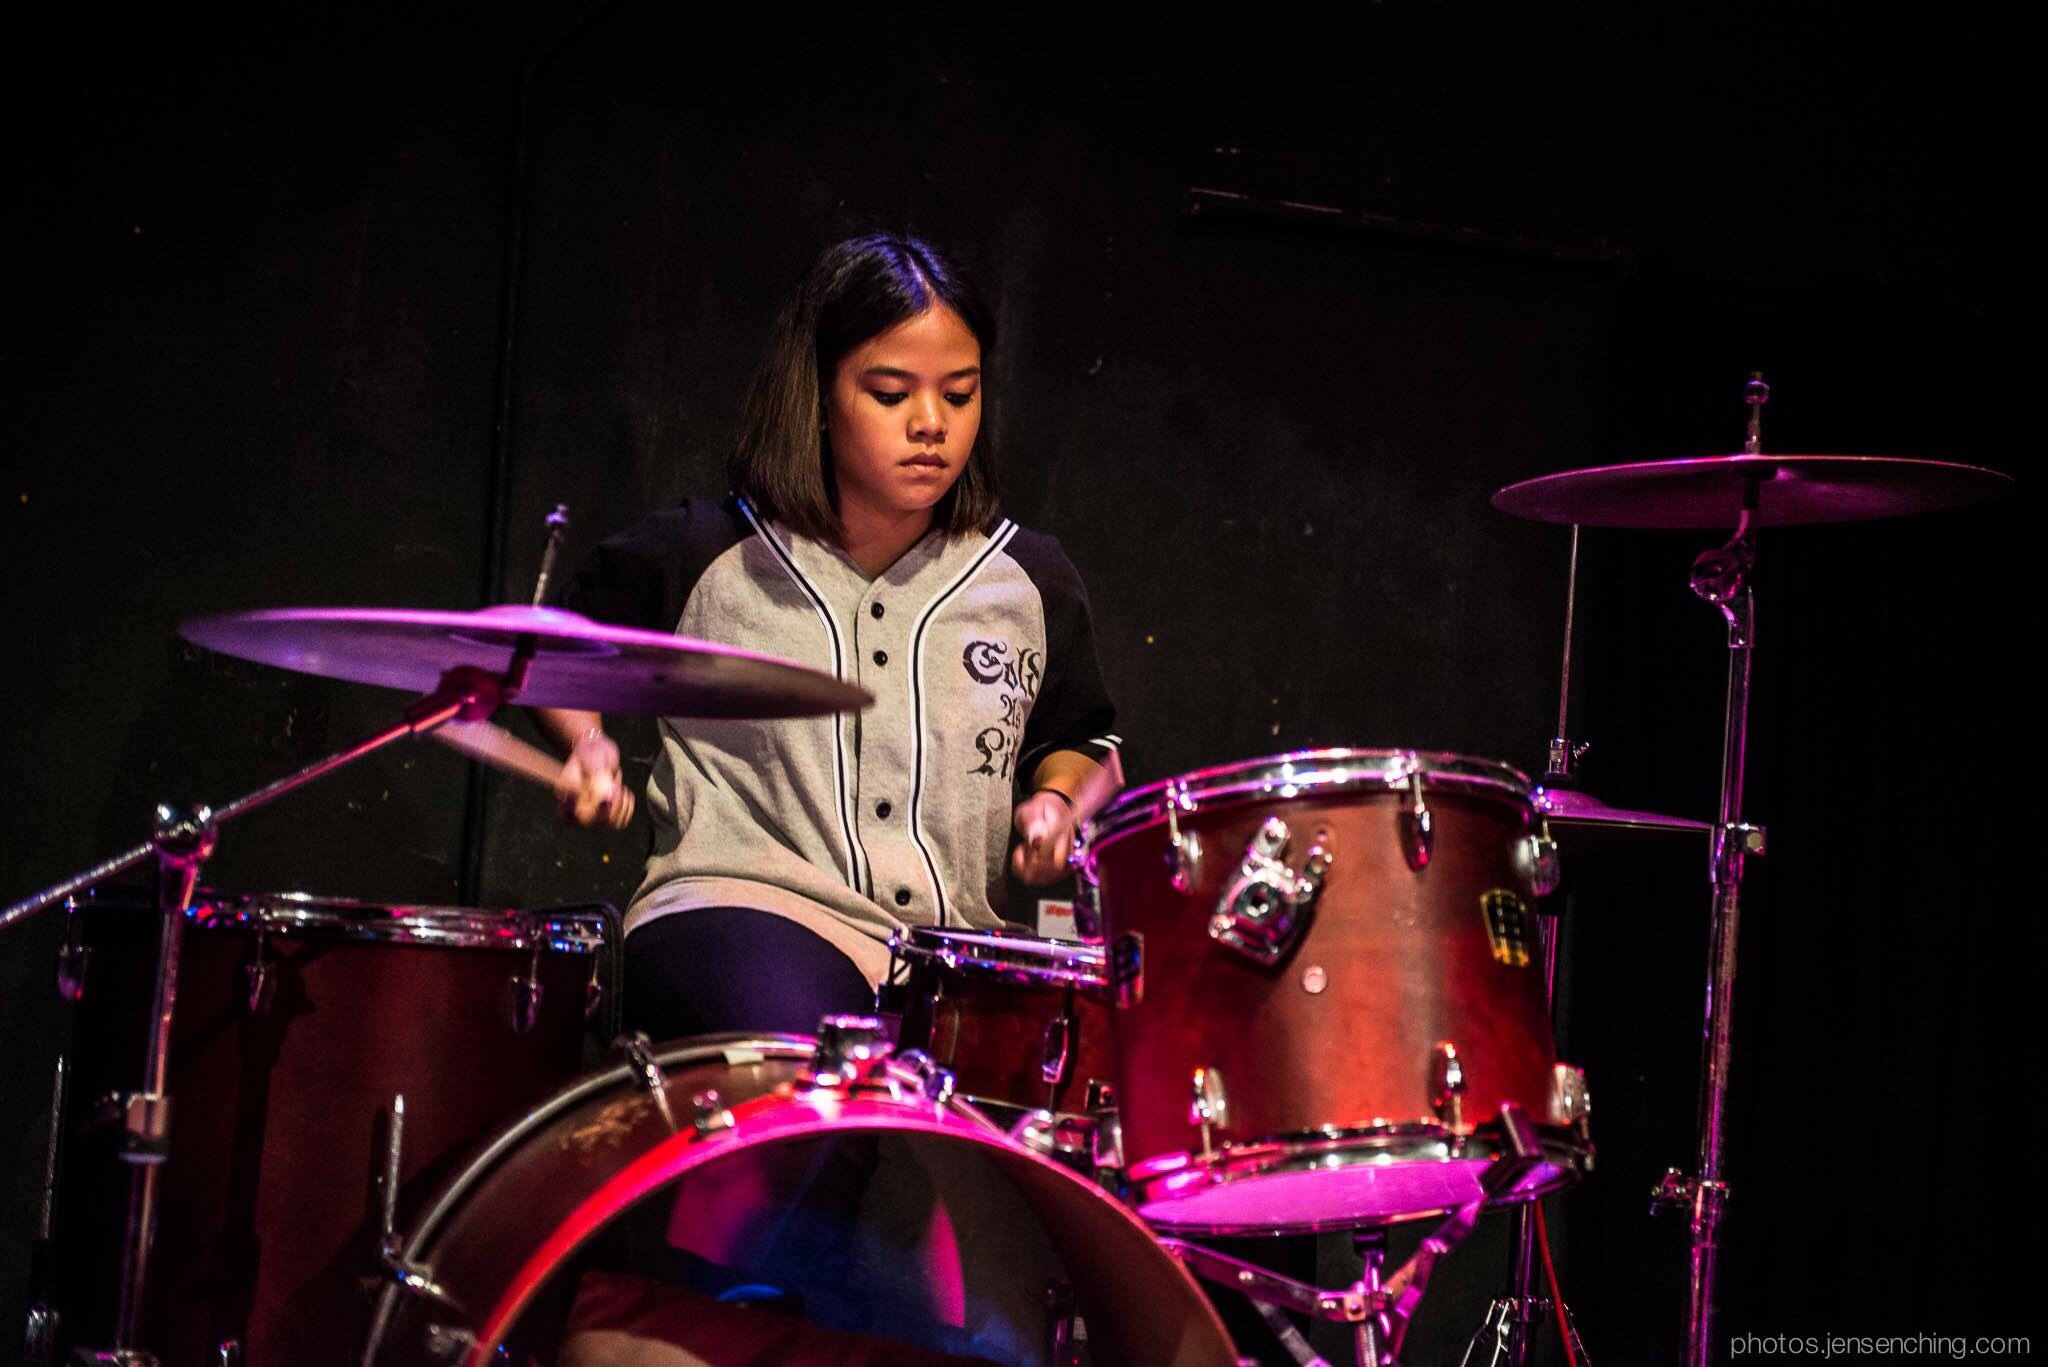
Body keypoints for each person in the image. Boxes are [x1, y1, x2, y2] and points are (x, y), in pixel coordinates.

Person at [536, 232, 1122, 1043]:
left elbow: (1083, 738)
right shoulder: (707, 554)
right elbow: (555, 648)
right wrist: (589, 747)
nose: (931, 425)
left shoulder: (1029, 580)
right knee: (816, 1068)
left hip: (943, 955)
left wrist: (1058, 803)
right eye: (890, 393)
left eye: (960, 395)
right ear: (815, 394)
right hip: (738, 907)